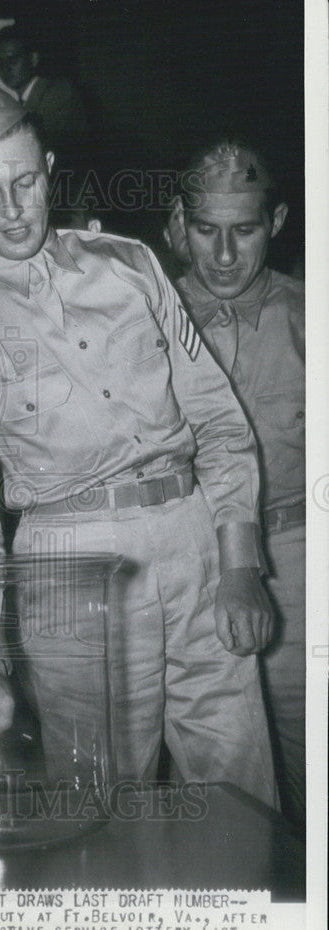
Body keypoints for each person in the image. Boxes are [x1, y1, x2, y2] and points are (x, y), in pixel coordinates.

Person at [0, 81, 277, 806]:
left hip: (194, 539)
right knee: (103, 806)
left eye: (25, 181)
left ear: (49, 166)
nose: (13, 209)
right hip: (70, 569)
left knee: (244, 794)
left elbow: (214, 412)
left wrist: (238, 561)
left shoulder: (129, 264)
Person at [174, 141, 305, 829]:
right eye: (205, 230)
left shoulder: (308, 319)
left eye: (244, 230)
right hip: (181, 566)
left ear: (276, 220)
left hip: (297, 561)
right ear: (177, 223)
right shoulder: (140, 318)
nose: (223, 254)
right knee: (219, 790)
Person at [0, 25, 89, 224]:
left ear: (33, 59)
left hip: (65, 204)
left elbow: (54, 151)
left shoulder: (58, 93)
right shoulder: (15, 105)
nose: (5, 68)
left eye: (13, 59)